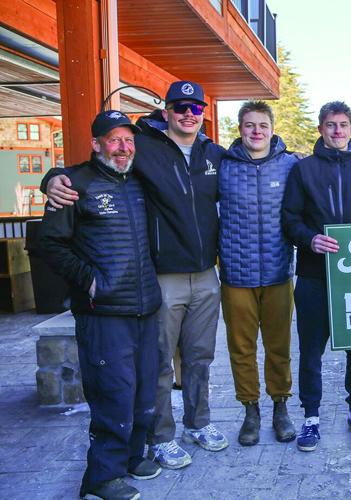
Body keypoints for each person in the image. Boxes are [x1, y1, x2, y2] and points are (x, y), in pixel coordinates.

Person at [44, 81, 227, 469]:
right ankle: (161, 436)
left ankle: (199, 422)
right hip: (164, 276)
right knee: (160, 362)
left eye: (195, 108)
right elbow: (94, 165)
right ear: (167, 111)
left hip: (206, 273)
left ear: (203, 114)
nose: (188, 114)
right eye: (180, 107)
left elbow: (256, 163)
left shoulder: (215, 154)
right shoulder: (144, 148)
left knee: (200, 357)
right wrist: (53, 177)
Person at [39, 111, 162, 500]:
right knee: (113, 392)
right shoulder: (75, 185)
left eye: (128, 140)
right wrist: (90, 280)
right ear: (96, 144)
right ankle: (101, 477)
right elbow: (48, 244)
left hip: (144, 306)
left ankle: (131, 458)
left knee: (143, 391)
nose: (123, 148)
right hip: (104, 313)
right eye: (113, 140)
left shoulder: (139, 181)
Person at [282, 101, 351, 451]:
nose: (337, 131)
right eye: (330, 125)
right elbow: (290, 220)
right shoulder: (304, 170)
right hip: (315, 274)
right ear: (321, 129)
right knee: (311, 350)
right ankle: (311, 417)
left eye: (343, 125)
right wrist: (309, 238)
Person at [219, 101, 298, 445]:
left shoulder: (291, 164)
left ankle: (280, 405)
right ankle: (250, 410)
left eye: (262, 125)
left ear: (272, 128)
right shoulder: (222, 165)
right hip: (237, 274)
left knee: (278, 345)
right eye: (249, 125)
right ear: (240, 129)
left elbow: (330, 166)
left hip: (279, 270)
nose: (256, 131)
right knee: (242, 347)